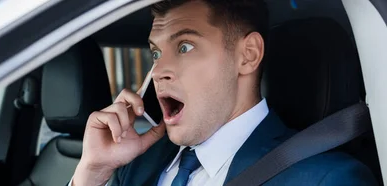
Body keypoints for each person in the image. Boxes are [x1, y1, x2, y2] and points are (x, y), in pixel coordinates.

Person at [70, 0, 377, 185]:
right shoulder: (134, 167)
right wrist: (91, 174)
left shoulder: (327, 180)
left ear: (248, 55)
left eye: (185, 46)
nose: (159, 70)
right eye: (155, 53)